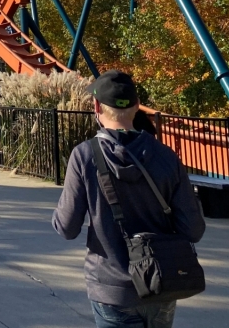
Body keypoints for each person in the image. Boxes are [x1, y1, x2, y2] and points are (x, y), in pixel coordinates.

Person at [52, 70, 205, 328]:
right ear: (136, 106)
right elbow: (193, 228)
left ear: (97, 106)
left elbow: (67, 228)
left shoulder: (85, 156)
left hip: (111, 285)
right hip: (162, 281)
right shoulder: (166, 156)